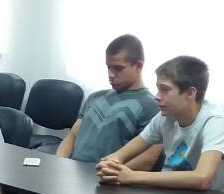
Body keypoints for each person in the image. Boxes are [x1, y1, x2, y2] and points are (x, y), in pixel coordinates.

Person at [98, 56, 224, 193]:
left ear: (190, 93)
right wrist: (110, 164)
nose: (157, 96)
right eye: (158, 89)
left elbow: (202, 178)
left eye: (165, 90)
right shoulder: (165, 116)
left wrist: (132, 176)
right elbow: (119, 156)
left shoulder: (215, 122)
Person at [57, 34, 160, 163]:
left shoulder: (152, 106)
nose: (110, 74)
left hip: (106, 174)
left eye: (118, 68)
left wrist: (105, 172)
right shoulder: (95, 97)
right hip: (72, 169)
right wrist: (58, 162)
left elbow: (147, 159)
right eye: (108, 67)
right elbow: (72, 136)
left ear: (138, 66)